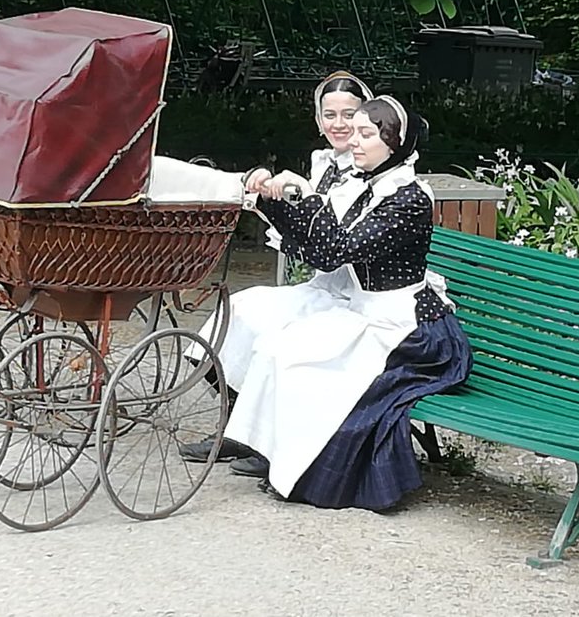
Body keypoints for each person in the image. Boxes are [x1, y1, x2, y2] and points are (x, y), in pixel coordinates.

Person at [201, 96, 472, 511]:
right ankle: (271, 452)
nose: (356, 142)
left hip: (409, 332)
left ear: (396, 143)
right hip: (362, 311)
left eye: (369, 134)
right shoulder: (367, 187)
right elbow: (316, 245)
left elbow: (335, 250)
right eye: (357, 133)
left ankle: (307, 470)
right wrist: (272, 198)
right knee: (277, 347)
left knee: (294, 358)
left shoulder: (410, 199)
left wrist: (307, 194)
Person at [184, 70, 374, 461]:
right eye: (330, 115)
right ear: (319, 120)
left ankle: (273, 442)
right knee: (237, 311)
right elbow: (305, 225)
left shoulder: (369, 170)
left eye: (349, 115)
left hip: (354, 292)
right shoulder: (324, 162)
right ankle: (239, 427)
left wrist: (295, 199)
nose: (339, 124)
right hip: (323, 282)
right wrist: (268, 195)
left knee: (278, 338)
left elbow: (333, 237)